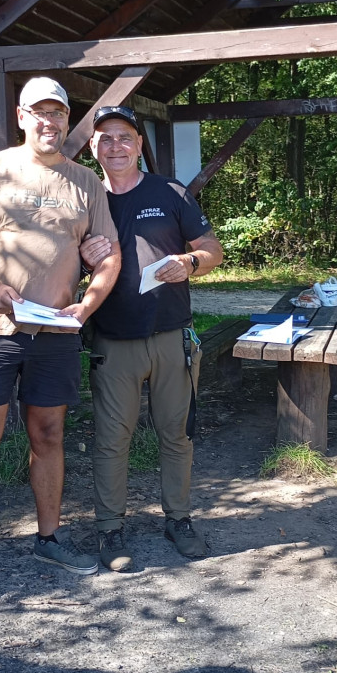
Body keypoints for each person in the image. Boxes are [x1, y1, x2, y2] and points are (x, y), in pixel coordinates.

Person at [0, 77, 121, 614]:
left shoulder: (86, 182)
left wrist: (86, 307)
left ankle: (49, 539)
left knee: (49, 434)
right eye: (39, 112)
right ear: (21, 116)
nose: (48, 122)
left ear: (67, 120)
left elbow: (108, 256)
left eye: (57, 113)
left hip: (55, 333)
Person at [80, 105, 223, 572]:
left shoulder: (170, 191)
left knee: (177, 435)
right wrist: (82, 257)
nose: (115, 146)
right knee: (111, 440)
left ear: (139, 145)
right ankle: (109, 528)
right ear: (93, 147)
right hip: (112, 341)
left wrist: (190, 263)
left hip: (171, 337)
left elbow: (213, 249)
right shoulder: (83, 199)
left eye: (124, 137)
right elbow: (60, 266)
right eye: (105, 138)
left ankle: (178, 519)